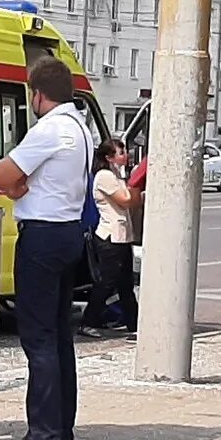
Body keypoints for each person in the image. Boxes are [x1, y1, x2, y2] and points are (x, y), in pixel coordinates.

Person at [0, 59, 94, 440]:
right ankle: (61, 427)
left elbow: (1, 174)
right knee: (60, 335)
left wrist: (14, 187)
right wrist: (20, 185)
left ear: (37, 93)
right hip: (68, 233)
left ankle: (43, 434)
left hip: (43, 237)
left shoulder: (49, 129)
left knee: (39, 337)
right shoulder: (80, 128)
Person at [82, 140, 141, 334]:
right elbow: (125, 200)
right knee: (106, 283)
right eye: (120, 152)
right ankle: (88, 322)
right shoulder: (105, 176)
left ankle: (135, 324)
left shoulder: (117, 175)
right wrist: (137, 185)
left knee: (126, 284)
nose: (125, 155)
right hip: (110, 237)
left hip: (122, 236)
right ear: (108, 157)